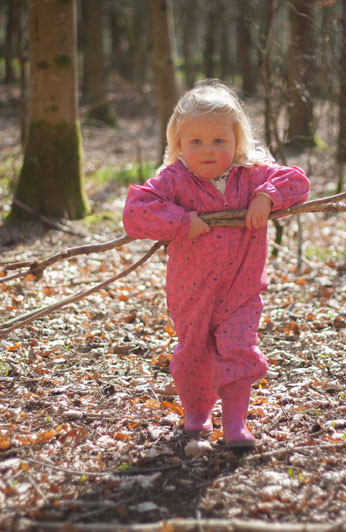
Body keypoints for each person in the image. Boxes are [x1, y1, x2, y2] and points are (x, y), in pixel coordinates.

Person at [122, 80, 310, 448]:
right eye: (196, 142)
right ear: (179, 143)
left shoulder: (252, 174)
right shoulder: (174, 180)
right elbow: (135, 213)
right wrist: (181, 222)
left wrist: (266, 197)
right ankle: (197, 415)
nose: (208, 151)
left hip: (242, 288)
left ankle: (236, 424)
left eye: (218, 141)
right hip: (190, 290)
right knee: (194, 351)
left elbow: (298, 182)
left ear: (237, 140)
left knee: (238, 346)